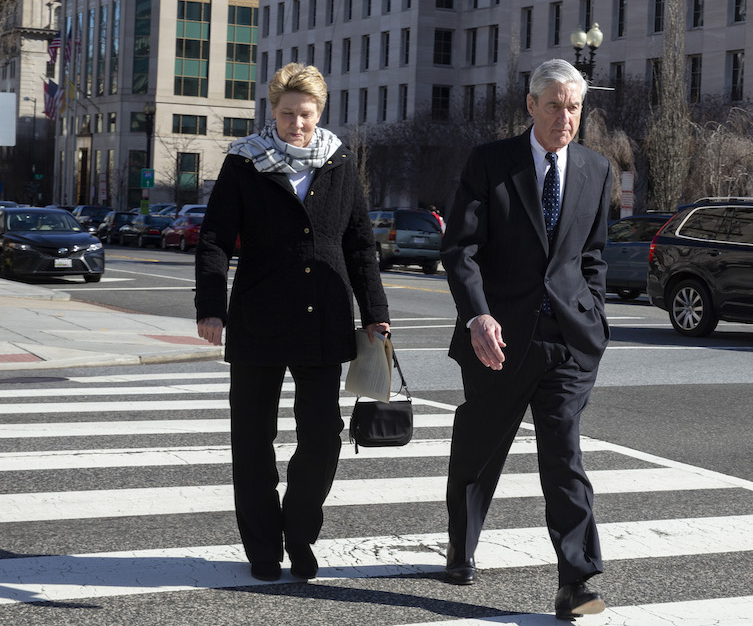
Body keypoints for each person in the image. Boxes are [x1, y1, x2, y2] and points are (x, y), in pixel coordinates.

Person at [194, 63, 391, 582]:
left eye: (305, 114)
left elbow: (360, 244)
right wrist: (211, 306)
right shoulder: (243, 163)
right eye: (287, 114)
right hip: (259, 316)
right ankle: (262, 546)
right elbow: (214, 238)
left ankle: (300, 533)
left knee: (323, 436)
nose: (296, 125)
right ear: (272, 112)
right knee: (253, 437)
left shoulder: (341, 161)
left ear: (319, 113)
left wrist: (375, 315)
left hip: (324, 318)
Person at [440, 58, 612, 620]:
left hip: (567, 341)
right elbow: (460, 250)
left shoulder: (595, 168)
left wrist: (594, 317)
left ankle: (578, 580)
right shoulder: (490, 164)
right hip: (499, 341)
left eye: (575, 107)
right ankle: (462, 548)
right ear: (531, 105)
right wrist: (477, 316)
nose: (567, 117)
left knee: (564, 456)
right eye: (557, 105)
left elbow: (593, 257)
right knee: (480, 447)